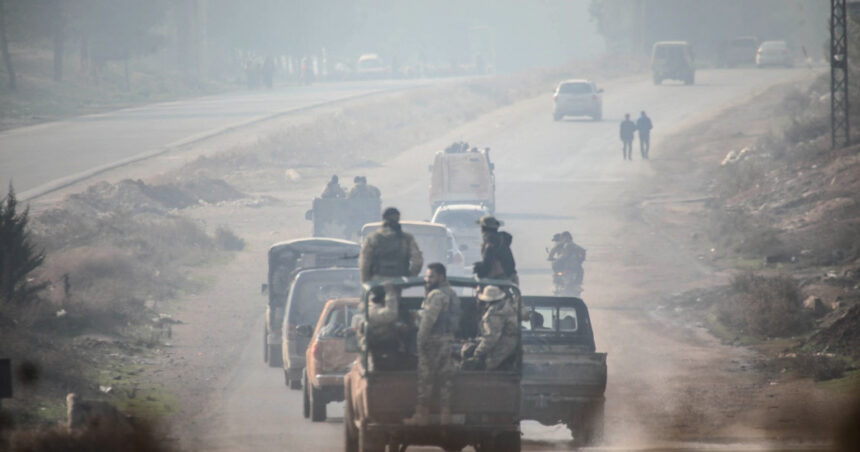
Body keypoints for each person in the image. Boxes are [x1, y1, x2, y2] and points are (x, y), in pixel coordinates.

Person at [403, 263, 461, 426]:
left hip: (433, 341)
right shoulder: (451, 294)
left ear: (441, 277)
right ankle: (445, 416)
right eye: (427, 276)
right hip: (447, 340)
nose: (427, 280)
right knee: (445, 379)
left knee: (425, 378)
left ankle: (422, 415)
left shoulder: (436, 295)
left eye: (431, 276)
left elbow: (428, 321)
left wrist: (420, 341)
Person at [359, 207, 423, 283]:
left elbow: (364, 262)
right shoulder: (406, 238)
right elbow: (417, 261)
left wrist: (366, 282)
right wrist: (410, 277)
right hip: (399, 280)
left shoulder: (373, 238)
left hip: (377, 281)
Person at [461, 285, 518, 371]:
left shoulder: (494, 312)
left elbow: (491, 337)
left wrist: (477, 353)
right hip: (510, 344)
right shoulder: (507, 306)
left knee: (474, 366)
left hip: (504, 346)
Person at [473, 216, 518, 284]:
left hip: (501, 281)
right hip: (510, 279)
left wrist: (479, 270)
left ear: (483, 229)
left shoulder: (491, 243)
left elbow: (487, 264)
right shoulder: (501, 240)